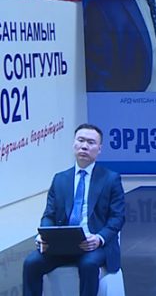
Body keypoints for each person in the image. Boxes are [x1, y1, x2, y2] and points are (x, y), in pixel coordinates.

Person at [22, 124, 125, 296]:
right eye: (81, 140)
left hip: (93, 245)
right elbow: (49, 215)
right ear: (73, 144)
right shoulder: (60, 179)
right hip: (62, 244)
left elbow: (117, 218)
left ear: (99, 149)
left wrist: (99, 238)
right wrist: (44, 235)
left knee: (88, 264)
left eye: (91, 142)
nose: (84, 146)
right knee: (31, 263)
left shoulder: (111, 179)